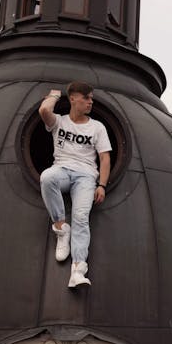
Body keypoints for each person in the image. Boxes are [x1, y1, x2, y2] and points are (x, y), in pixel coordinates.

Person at [39, 82, 111, 287]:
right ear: (73, 99)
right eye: (86, 98)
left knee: (81, 216)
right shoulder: (59, 122)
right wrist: (54, 95)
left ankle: (78, 269)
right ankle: (61, 228)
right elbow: (44, 110)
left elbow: (104, 158)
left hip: (86, 176)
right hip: (61, 169)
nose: (90, 102)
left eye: (91, 98)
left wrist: (102, 185)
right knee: (47, 177)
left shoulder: (97, 127)